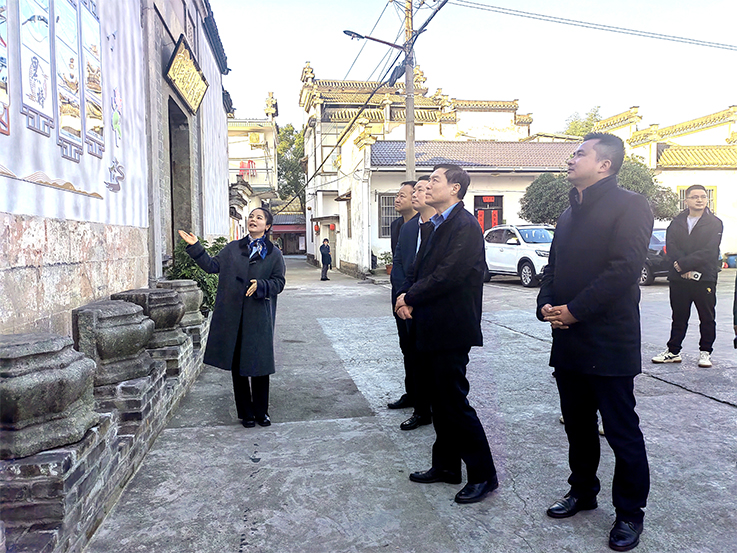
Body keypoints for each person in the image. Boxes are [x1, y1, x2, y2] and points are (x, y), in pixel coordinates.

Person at [537, 133, 653, 551]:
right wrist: (546, 304)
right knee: (578, 425)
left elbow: (623, 270)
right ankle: (583, 491)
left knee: (621, 431)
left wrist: (575, 310)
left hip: (609, 339)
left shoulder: (631, 205)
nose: (571, 160)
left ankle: (629, 513)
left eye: (579, 154)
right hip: (569, 339)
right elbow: (553, 268)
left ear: (605, 164)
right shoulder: (569, 213)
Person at [395, 164, 498, 504]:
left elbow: (448, 275)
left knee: (454, 402)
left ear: (455, 188)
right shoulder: (437, 223)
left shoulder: (465, 225)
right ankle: (446, 465)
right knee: (439, 401)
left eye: (435, 180)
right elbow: (418, 269)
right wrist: (405, 295)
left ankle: (484, 475)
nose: (427, 186)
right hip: (430, 324)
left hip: (451, 327)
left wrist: (410, 297)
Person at [178, 207, 286, 428]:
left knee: (260, 365)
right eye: (251, 216)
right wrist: (195, 246)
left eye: (259, 217)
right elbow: (212, 266)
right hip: (233, 316)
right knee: (238, 367)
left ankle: (261, 412)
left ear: (267, 226)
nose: (253, 219)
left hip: (259, 317)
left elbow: (279, 282)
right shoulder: (233, 248)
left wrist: (261, 285)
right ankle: (246, 413)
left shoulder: (274, 254)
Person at [651, 184, 723, 368]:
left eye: (703, 197)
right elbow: (671, 246)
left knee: (707, 317)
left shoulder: (714, 223)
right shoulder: (676, 222)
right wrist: (681, 268)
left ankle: (705, 352)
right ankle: (673, 351)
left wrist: (685, 264)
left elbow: (710, 250)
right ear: (686, 200)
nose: (699, 200)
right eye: (695, 197)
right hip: (679, 278)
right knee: (679, 316)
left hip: (704, 277)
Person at [388, 178, 434, 431]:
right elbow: (399, 264)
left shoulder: (442, 227)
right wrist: (402, 296)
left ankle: (427, 406)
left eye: (419, 190)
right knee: (409, 350)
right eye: (413, 191)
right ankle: (415, 398)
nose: (415, 195)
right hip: (403, 301)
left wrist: (414, 297)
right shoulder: (405, 228)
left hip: (426, 303)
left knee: (427, 357)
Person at [387, 181, 420, 414]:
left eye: (402, 195)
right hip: (400, 295)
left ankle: (424, 400)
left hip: (417, 296)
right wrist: (400, 294)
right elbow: (396, 260)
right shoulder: (397, 225)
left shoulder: (426, 225)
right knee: (406, 346)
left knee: (420, 349)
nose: (397, 200)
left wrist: (411, 295)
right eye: (396, 195)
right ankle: (412, 393)